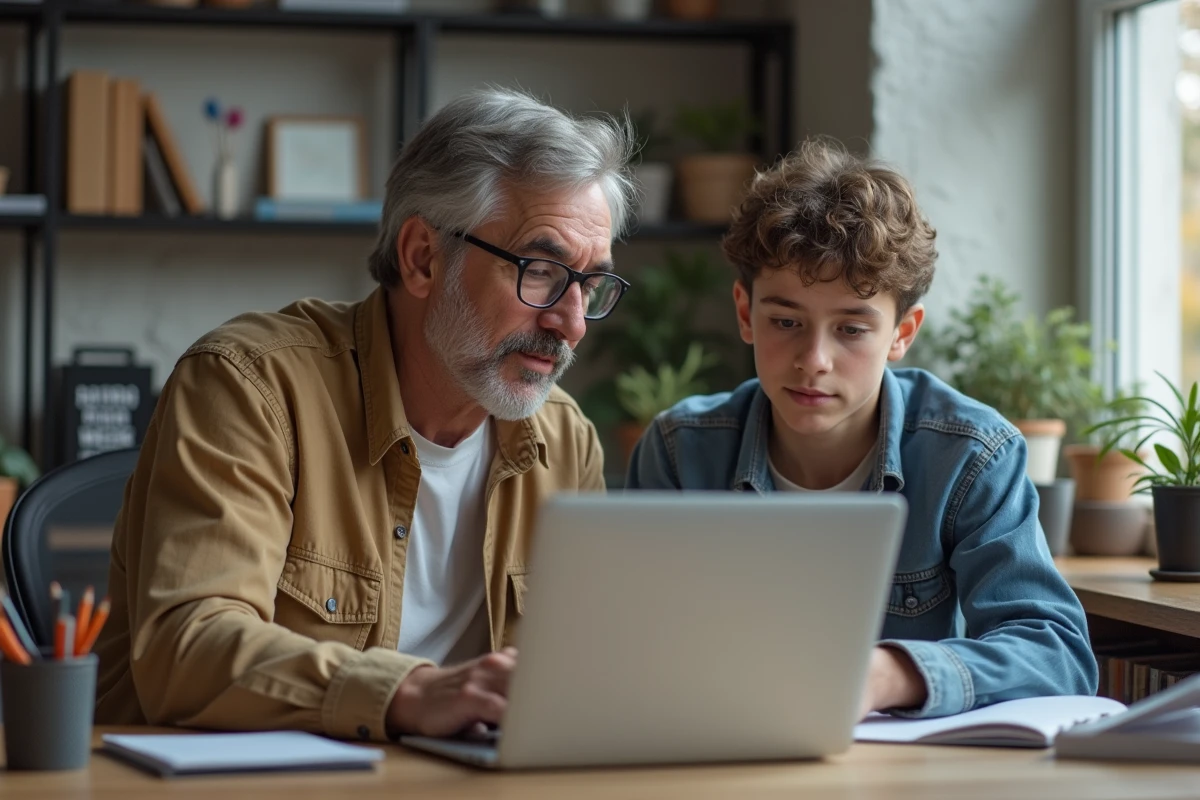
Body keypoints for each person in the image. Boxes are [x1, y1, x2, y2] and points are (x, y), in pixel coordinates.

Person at [94, 87, 635, 741]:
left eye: (590, 284)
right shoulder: (251, 386)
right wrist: (408, 692)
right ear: (422, 258)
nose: (570, 322)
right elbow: (187, 651)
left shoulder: (564, 440)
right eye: (542, 270)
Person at [626, 139, 1098, 719]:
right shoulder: (680, 451)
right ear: (746, 314)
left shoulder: (970, 455)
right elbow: (627, 645)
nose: (814, 359)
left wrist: (886, 675)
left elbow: (1056, 653)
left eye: (851, 330)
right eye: (785, 321)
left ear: (902, 334)